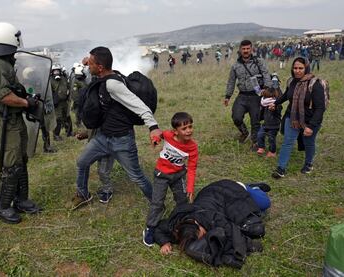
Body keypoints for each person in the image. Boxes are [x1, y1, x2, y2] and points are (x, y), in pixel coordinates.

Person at [71, 46, 162, 210]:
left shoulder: (113, 84)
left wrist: (153, 127)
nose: (87, 66)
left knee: (137, 177)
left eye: (90, 63)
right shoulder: (103, 76)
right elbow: (92, 72)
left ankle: (157, 204)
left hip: (122, 140)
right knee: (82, 162)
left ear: (99, 67)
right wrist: (86, 62)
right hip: (103, 138)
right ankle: (83, 195)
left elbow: (139, 105)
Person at [0, 22, 41, 224]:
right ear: (8, 37)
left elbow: (13, 90)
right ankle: (3, 206)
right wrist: (26, 102)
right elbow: (4, 96)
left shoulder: (4, 62)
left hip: (14, 119)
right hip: (6, 122)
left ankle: (21, 199)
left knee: (20, 161)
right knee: (11, 165)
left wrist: (27, 98)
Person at [153, 179, 270, 269]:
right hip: (211, 195)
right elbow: (158, 228)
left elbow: (231, 231)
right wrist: (164, 242)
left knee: (263, 209)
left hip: (230, 189)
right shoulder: (175, 224)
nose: (204, 237)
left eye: (202, 234)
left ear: (197, 224)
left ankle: (251, 187)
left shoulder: (211, 217)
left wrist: (249, 246)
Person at [143, 112, 198, 247]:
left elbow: (192, 168)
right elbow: (160, 134)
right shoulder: (169, 135)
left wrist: (190, 188)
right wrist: (156, 138)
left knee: (183, 200)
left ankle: (180, 223)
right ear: (175, 131)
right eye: (184, 128)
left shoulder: (193, 147)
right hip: (161, 174)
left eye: (190, 127)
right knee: (157, 202)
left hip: (178, 176)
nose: (188, 130)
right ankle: (150, 228)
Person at [271, 57, 326, 178]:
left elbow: (320, 108)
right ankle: (281, 168)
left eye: (301, 68)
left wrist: (311, 126)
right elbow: (286, 95)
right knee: (287, 142)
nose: (297, 71)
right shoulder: (291, 81)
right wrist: (275, 103)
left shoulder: (315, 84)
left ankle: (308, 163)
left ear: (306, 68)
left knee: (309, 142)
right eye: (295, 68)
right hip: (293, 117)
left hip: (311, 119)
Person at [224, 40, 272, 150]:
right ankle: (244, 132)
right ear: (240, 50)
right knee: (236, 117)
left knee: (255, 120)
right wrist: (228, 96)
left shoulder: (259, 62)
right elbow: (231, 81)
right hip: (242, 96)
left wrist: (268, 90)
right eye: (243, 49)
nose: (245, 51)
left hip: (256, 95)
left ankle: (255, 142)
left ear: (251, 49)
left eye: (248, 49)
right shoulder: (235, 66)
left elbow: (266, 75)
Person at [256, 75, 283, 157]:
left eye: (268, 98)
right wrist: (259, 118)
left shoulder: (276, 104)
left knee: (271, 139)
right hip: (265, 124)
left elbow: (278, 112)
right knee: (260, 135)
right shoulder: (264, 104)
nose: (266, 100)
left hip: (274, 125)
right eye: (265, 98)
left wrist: (274, 109)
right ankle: (261, 147)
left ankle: (272, 152)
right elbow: (262, 113)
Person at [51, 64, 72, 140]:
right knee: (58, 118)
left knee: (67, 116)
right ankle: (56, 135)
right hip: (57, 103)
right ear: (52, 71)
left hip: (64, 101)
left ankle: (69, 132)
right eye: (54, 71)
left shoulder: (64, 78)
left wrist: (68, 94)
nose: (56, 72)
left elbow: (68, 86)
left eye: (58, 71)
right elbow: (49, 92)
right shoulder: (50, 80)